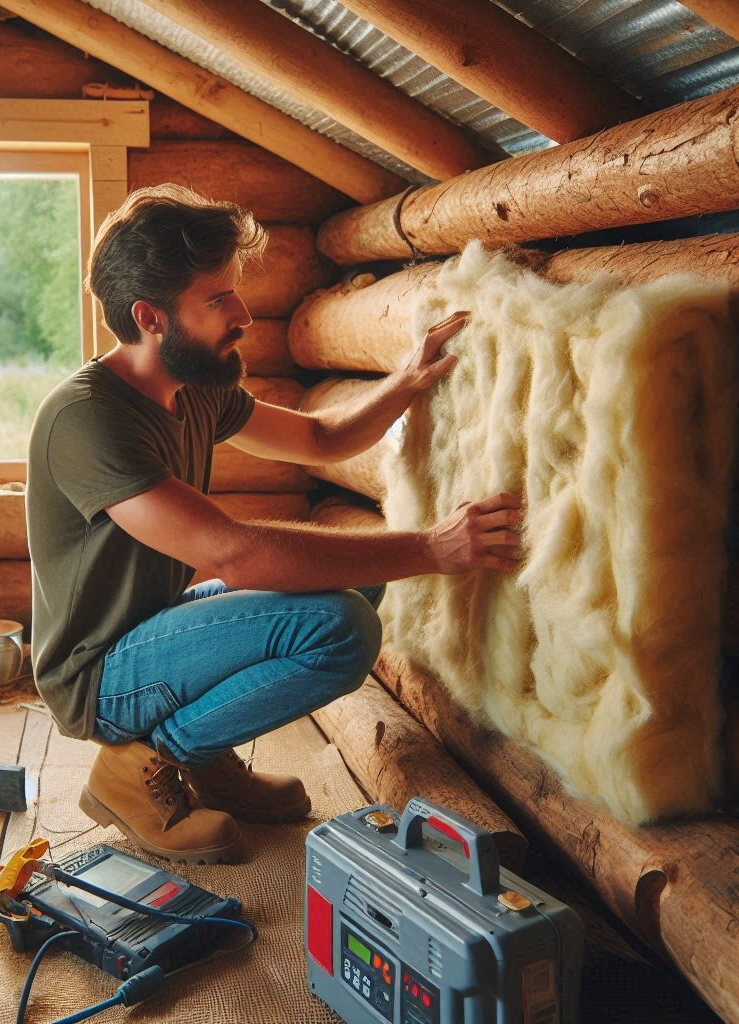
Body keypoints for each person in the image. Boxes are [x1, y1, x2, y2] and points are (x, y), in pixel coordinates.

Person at [26, 184, 521, 865]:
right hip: (100, 675)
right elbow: (238, 554)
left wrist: (405, 381)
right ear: (151, 317)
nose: (244, 314)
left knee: (361, 584)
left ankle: (204, 757)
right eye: (216, 300)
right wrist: (434, 547)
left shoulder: (194, 385)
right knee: (341, 628)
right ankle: (140, 766)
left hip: (152, 630)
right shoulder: (85, 419)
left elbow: (319, 438)